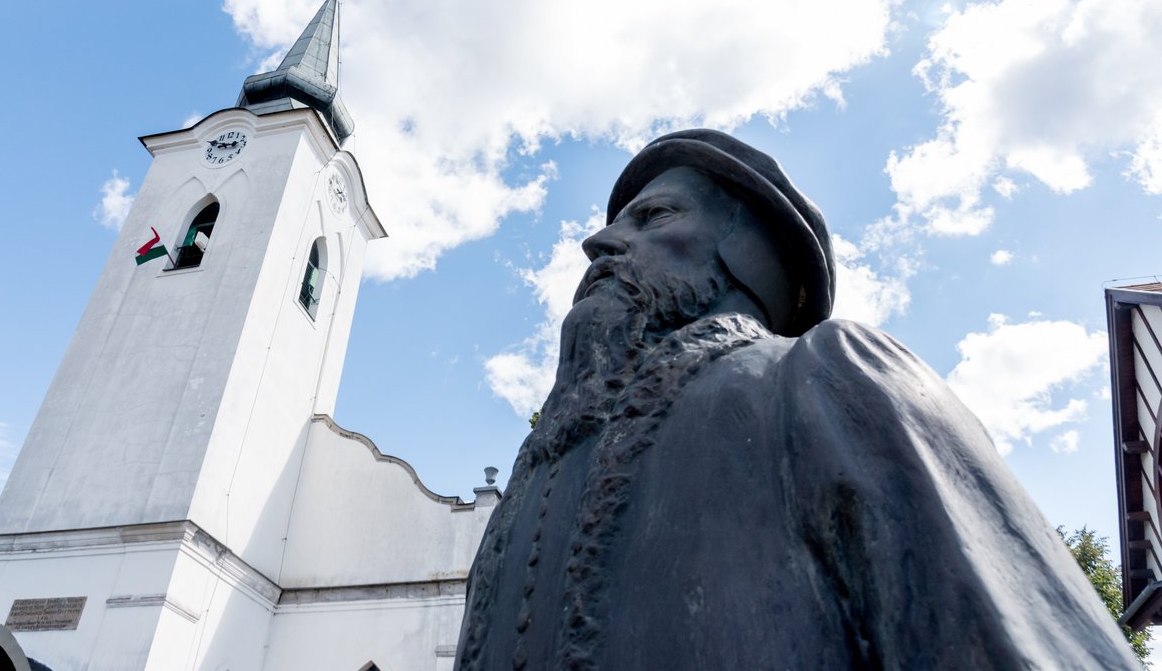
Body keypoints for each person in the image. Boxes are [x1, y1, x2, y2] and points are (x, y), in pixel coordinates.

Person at [455, 129, 1137, 670]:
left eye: (654, 216)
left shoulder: (829, 375)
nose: (598, 242)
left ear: (747, 255)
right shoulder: (526, 487)